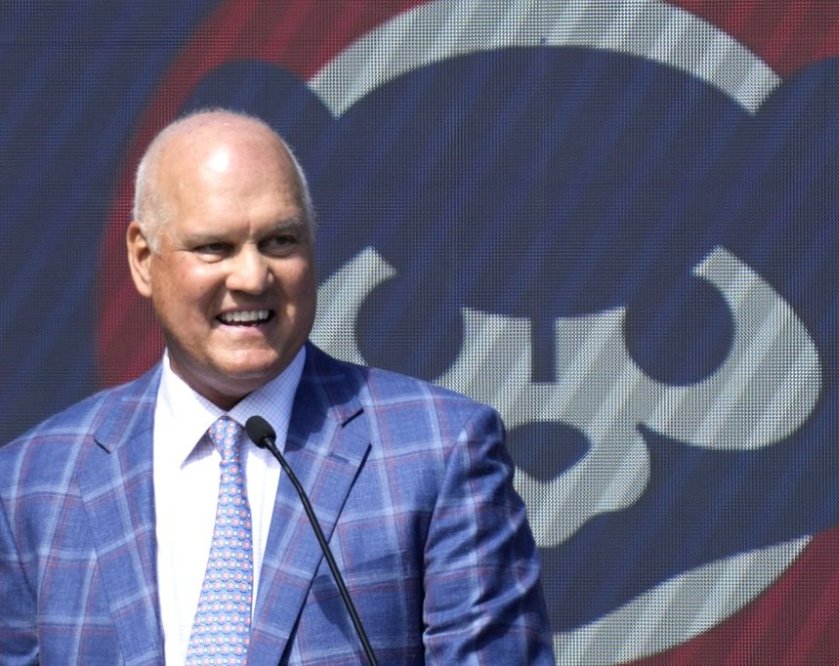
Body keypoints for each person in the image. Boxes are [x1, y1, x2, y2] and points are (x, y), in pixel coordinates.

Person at [0, 109, 553, 664]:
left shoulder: (438, 450)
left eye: (280, 241)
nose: (252, 277)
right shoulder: (33, 485)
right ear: (144, 260)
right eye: (214, 247)